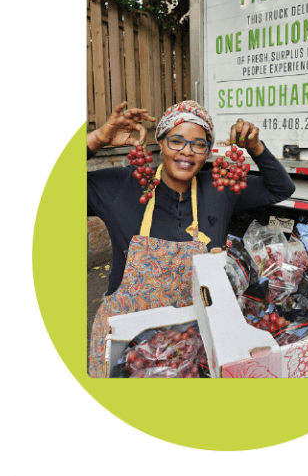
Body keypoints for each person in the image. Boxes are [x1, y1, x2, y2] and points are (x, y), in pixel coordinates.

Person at [87, 99, 296, 377]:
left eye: (198, 144)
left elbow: (280, 188)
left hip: (193, 347)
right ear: (160, 142)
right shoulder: (123, 186)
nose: (187, 152)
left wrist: (255, 148)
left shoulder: (219, 189)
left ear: (207, 152)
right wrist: (97, 139)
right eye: (176, 141)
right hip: (127, 349)